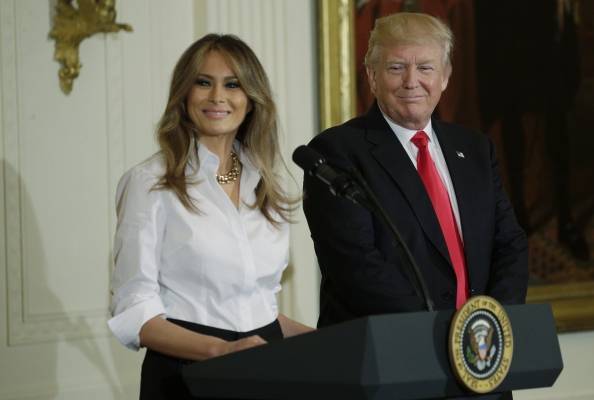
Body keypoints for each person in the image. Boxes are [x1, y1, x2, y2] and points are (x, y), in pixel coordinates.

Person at [108, 34, 313, 399]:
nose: (218, 96)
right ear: (183, 94)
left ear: (251, 99)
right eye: (203, 82)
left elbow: (256, 310)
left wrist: (324, 341)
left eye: (233, 85)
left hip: (263, 372)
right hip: (186, 376)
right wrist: (222, 351)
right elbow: (135, 313)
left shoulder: (266, 183)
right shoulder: (149, 182)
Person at [303, 12, 528, 337]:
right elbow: (356, 265)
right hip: (391, 348)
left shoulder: (475, 149)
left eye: (425, 68)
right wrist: (440, 331)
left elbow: (510, 244)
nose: (411, 81)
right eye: (396, 68)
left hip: (479, 349)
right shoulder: (337, 152)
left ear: (445, 77)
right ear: (372, 76)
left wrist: (490, 324)